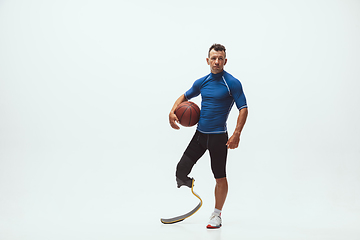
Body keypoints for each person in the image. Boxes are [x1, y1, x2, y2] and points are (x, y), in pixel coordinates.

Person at [169, 43, 248, 229]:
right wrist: (172, 112)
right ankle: (190, 184)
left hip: (219, 137)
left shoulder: (232, 83)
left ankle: (217, 214)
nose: (217, 61)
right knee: (180, 171)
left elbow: (243, 108)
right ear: (208, 60)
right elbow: (184, 96)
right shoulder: (202, 82)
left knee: (220, 176)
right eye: (213, 58)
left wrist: (237, 133)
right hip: (200, 135)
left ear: (225, 61)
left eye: (220, 58)